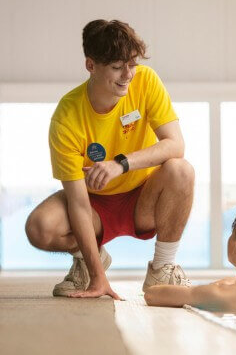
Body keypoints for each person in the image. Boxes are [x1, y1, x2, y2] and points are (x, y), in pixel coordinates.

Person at [24, 19, 194, 299]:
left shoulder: (146, 81)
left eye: (132, 64)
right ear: (91, 65)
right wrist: (98, 278)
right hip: (93, 206)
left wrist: (121, 163)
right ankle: (89, 260)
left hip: (143, 199)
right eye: (117, 67)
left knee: (181, 170)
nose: (128, 75)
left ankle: (162, 268)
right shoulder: (66, 117)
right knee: (39, 228)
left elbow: (175, 145)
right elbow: (78, 204)